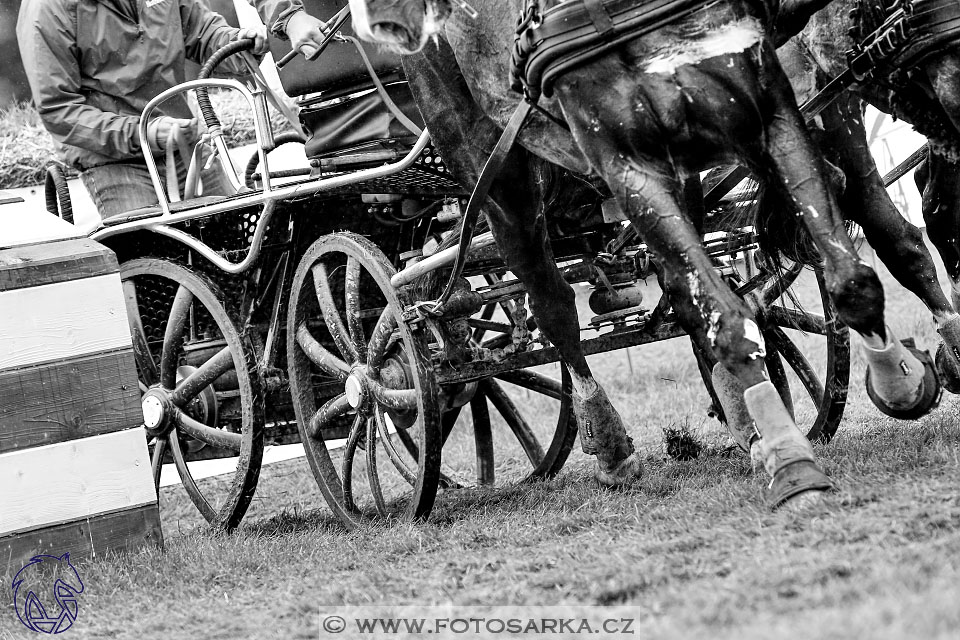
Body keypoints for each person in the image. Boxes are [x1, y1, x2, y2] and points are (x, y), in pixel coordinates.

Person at [17, 0, 327, 218]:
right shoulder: (46, 10)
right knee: (153, 259)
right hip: (115, 161)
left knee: (238, 239)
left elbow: (202, 32)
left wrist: (239, 42)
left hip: (184, 145)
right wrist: (144, 133)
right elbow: (59, 110)